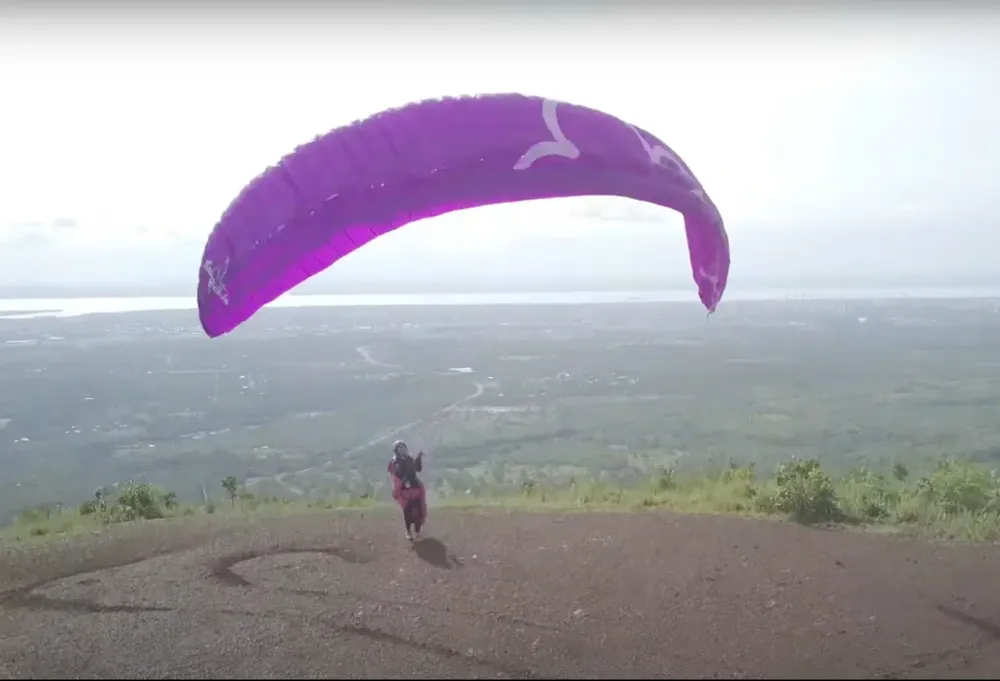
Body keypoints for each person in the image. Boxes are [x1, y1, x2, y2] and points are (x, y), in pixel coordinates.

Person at [388, 440, 426, 541]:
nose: (402, 450)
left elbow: (418, 469)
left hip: (415, 486)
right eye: (400, 449)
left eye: (403, 448)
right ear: (396, 451)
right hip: (404, 489)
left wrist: (419, 458)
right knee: (408, 511)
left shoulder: (409, 458)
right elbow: (397, 474)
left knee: (419, 510)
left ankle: (417, 531)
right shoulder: (395, 462)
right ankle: (408, 531)